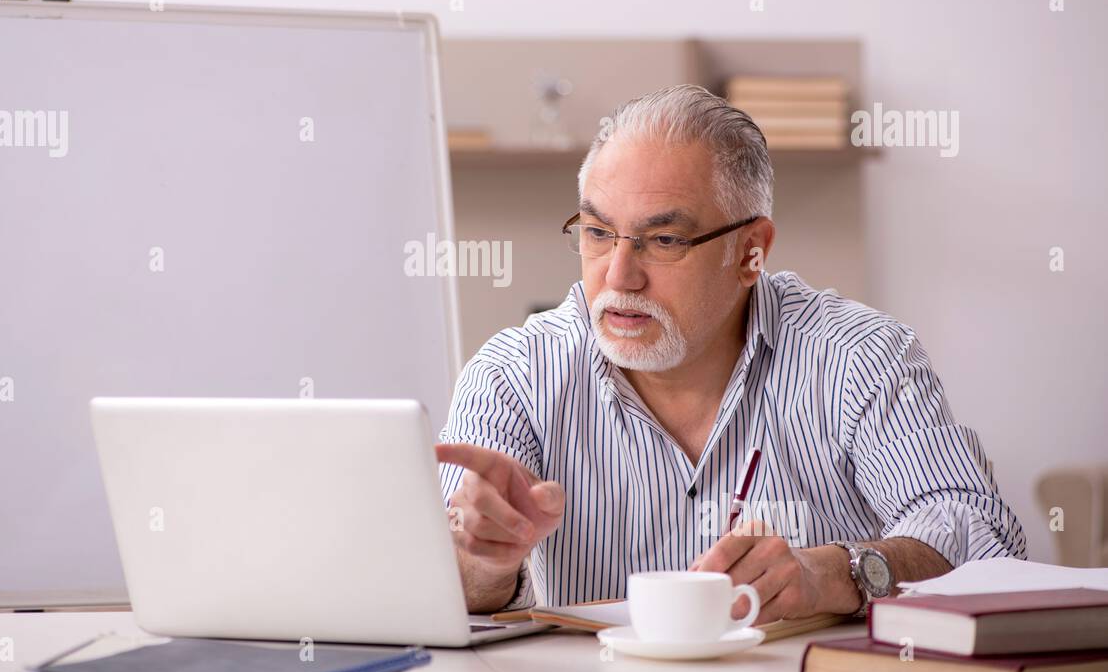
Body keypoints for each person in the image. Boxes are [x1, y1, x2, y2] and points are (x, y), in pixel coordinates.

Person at [436, 85, 1026, 622]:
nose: (619, 275)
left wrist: (840, 573)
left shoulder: (858, 358)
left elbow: (983, 538)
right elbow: (445, 590)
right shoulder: (512, 376)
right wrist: (486, 559)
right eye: (597, 233)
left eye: (664, 241)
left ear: (751, 251)